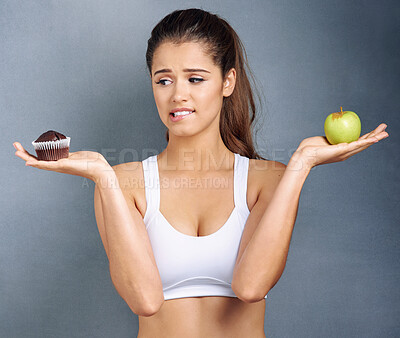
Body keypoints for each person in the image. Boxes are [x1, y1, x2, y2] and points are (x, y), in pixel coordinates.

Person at [13, 8, 389, 338]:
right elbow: (144, 299)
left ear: (227, 82)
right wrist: (103, 176)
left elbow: (250, 286)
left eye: (195, 79)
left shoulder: (268, 180)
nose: (178, 95)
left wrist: (301, 164)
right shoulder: (123, 183)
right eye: (164, 80)